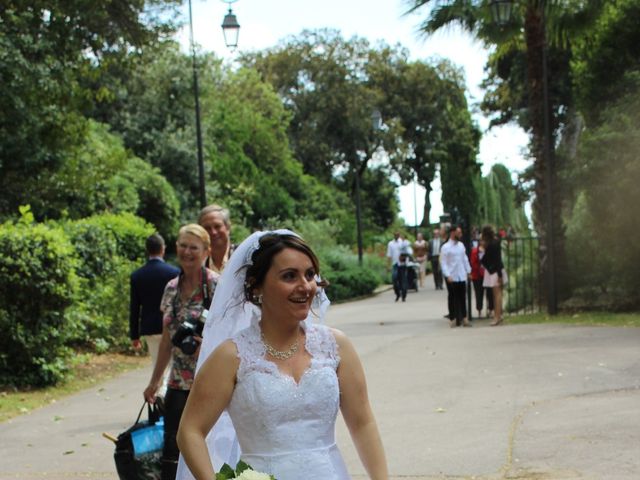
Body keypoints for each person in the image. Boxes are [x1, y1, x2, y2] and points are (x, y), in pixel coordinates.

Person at [176, 231, 388, 480]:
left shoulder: (335, 345)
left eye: (310, 275)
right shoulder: (231, 356)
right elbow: (190, 431)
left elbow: (363, 423)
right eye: (290, 276)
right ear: (257, 285)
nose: (306, 286)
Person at [143, 224, 219, 479]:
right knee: (173, 450)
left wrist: (206, 346)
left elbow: (233, 336)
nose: (187, 252)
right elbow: (166, 341)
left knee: (209, 447)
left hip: (210, 382)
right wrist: (155, 382)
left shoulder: (217, 287)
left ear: (206, 251)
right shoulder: (171, 288)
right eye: (183, 246)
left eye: (193, 247)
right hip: (178, 382)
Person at [129, 233, 180, 397]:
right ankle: (164, 395)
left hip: (149, 327)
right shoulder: (174, 272)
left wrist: (134, 335)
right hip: (171, 326)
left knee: (156, 364)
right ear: (163, 249)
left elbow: (135, 307)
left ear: (147, 250)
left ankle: (160, 394)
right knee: (172, 365)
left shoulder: (137, 275)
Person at [440, 226, 471, 328]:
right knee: (452, 297)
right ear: (453, 233)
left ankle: (464, 318)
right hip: (452, 275)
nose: (460, 235)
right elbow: (443, 263)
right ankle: (453, 318)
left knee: (462, 297)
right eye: (458, 233)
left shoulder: (461, 246)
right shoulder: (445, 247)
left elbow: (464, 259)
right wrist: (447, 275)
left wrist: (468, 270)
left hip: (461, 275)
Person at [198, 204, 233, 274]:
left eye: (217, 226)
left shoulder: (243, 258)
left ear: (228, 228)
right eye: (207, 228)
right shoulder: (198, 267)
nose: (213, 232)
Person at [481, 225, 505, 326]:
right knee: (498, 295)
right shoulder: (496, 242)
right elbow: (498, 260)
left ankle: (497, 317)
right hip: (497, 270)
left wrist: (498, 275)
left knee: (497, 295)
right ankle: (498, 315)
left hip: (494, 271)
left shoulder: (490, 245)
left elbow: (485, 260)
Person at [470, 242, 493, 319]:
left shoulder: (488, 250)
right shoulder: (474, 251)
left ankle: (490, 310)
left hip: (487, 275)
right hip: (477, 276)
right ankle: (479, 310)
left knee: (490, 293)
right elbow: (473, 263)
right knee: (479, 293)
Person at [387, 231, 410, 302]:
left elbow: (408, 252)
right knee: (394, 279)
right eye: (395, 235)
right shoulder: (391, 244)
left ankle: (404, 295)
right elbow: (389, 255)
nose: (396, 236)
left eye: (398, 234)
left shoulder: (403, 242)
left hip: (402, 264)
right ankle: (397, 293)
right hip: (395, 264)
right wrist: (388, 265)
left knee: (403, 280)